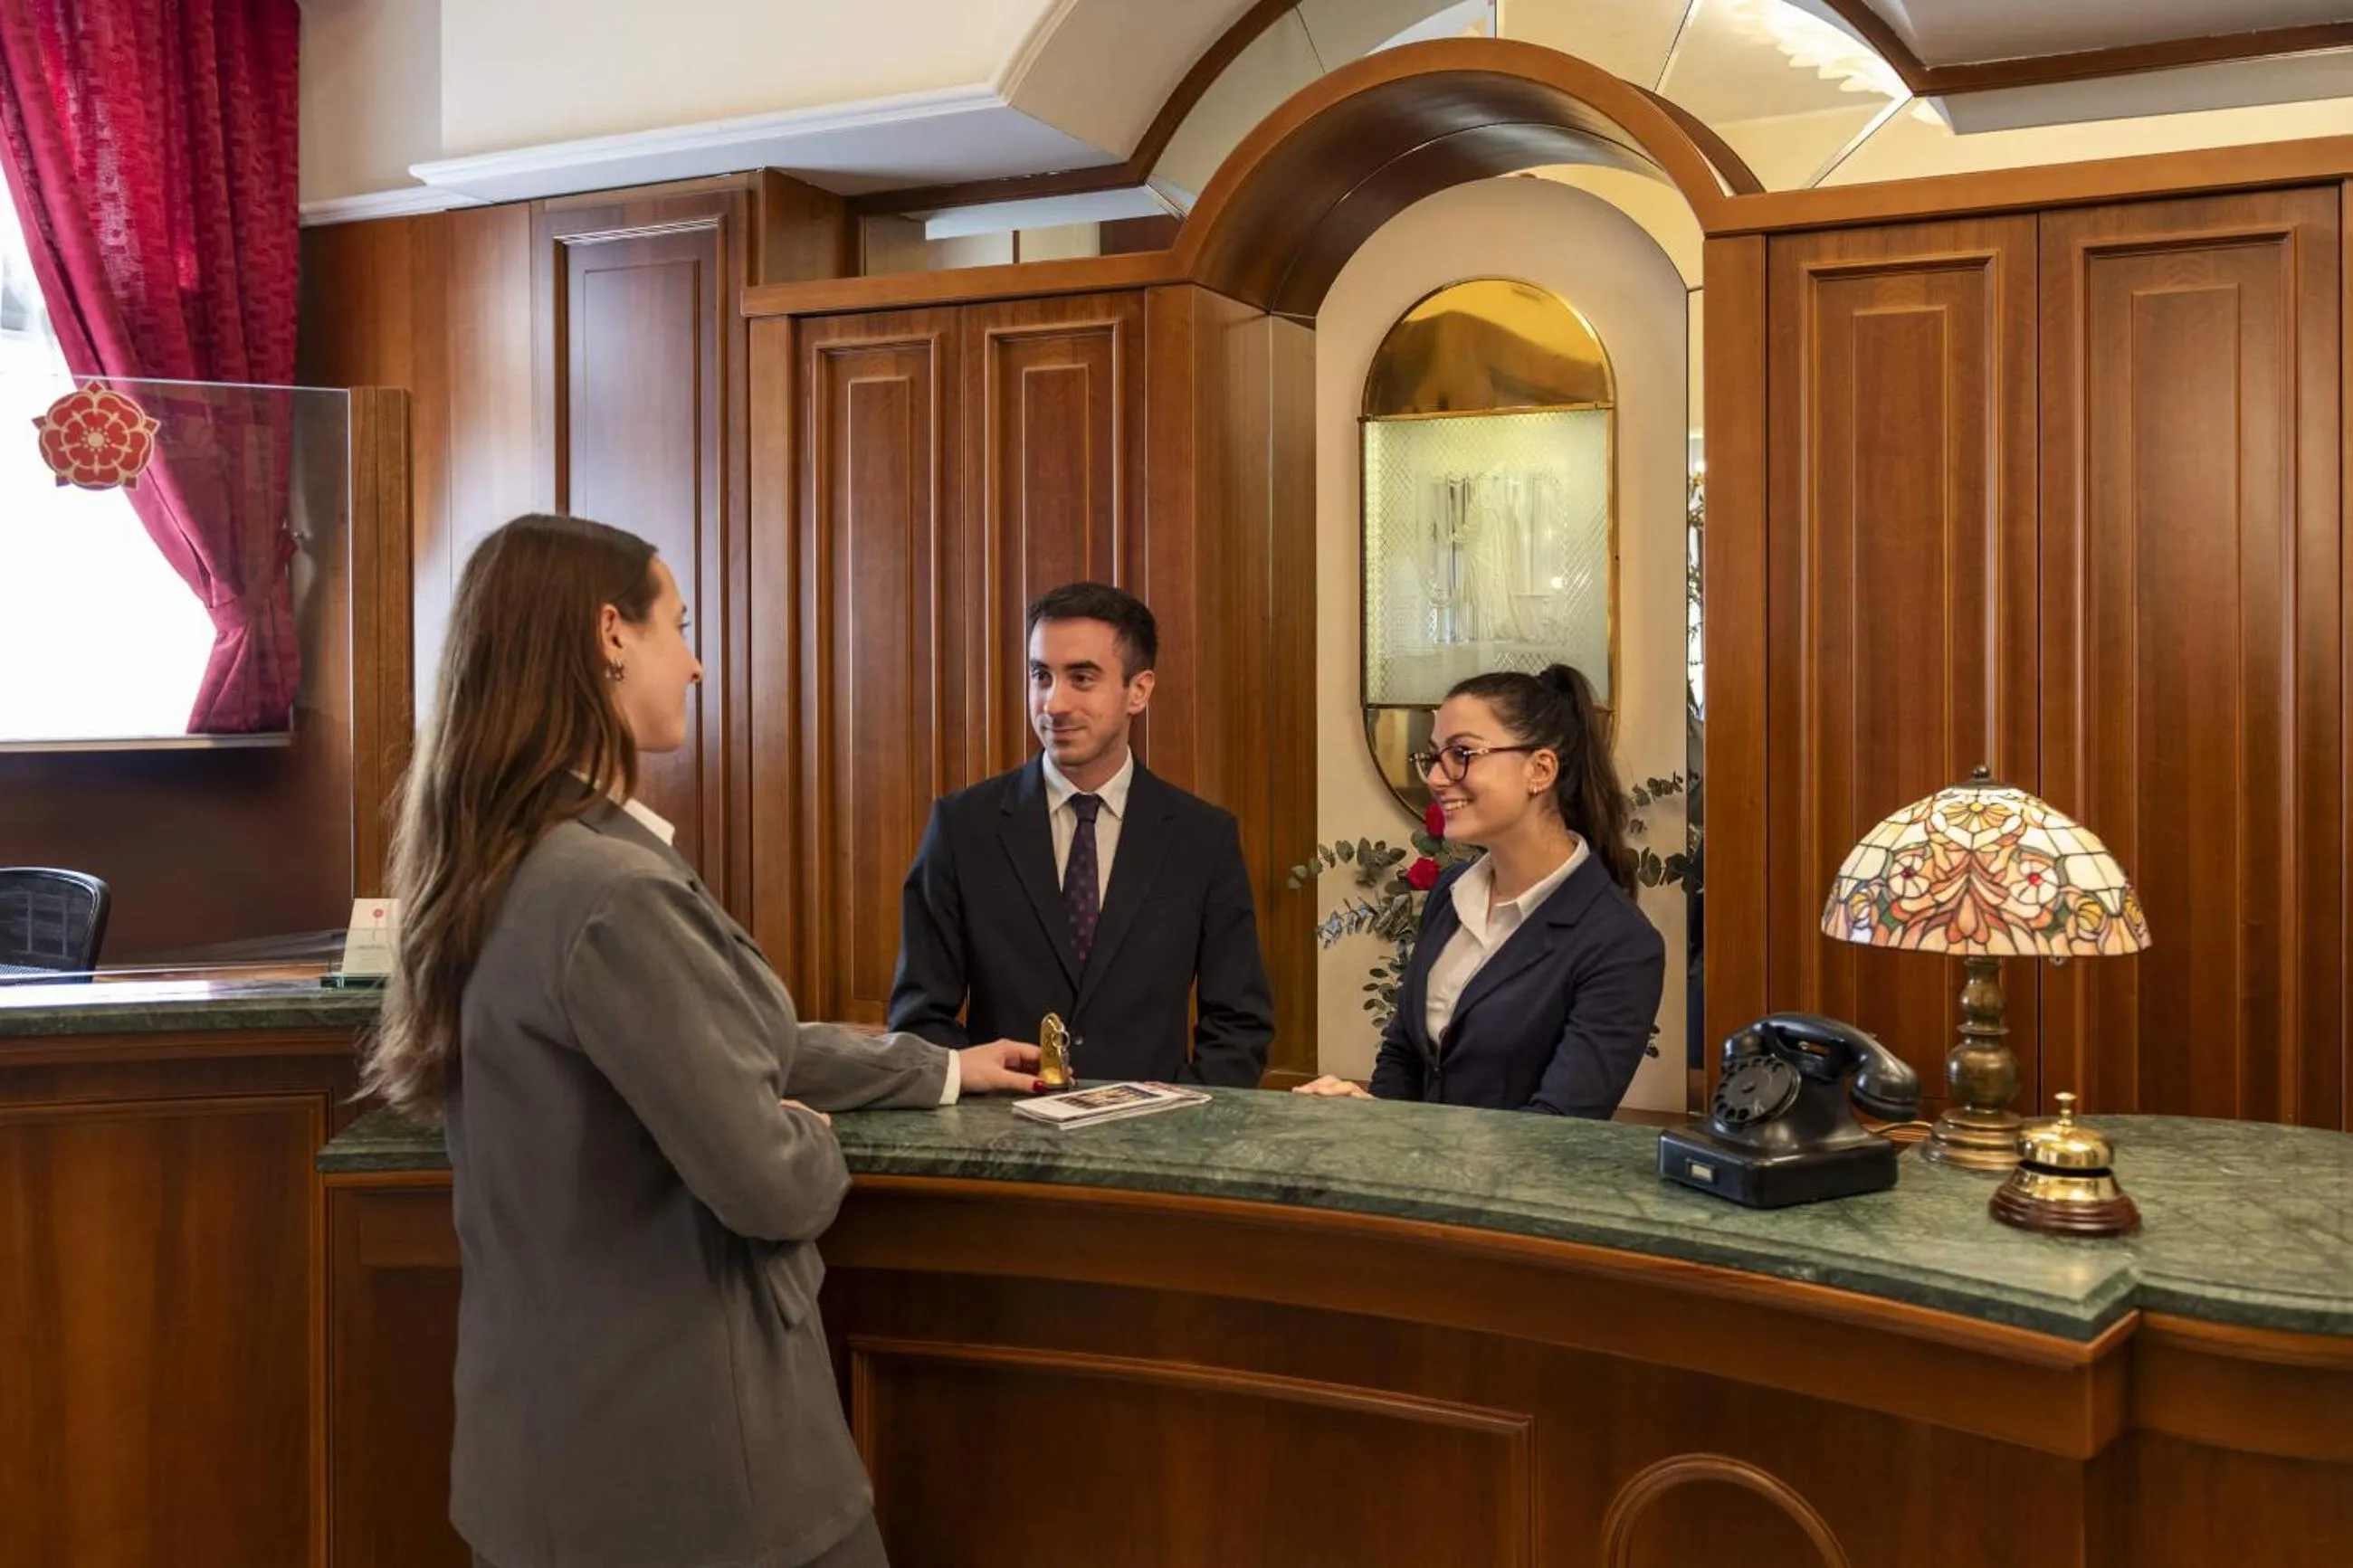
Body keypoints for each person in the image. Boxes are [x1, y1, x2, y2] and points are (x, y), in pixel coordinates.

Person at [360, 514, 1039, 1568]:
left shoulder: (498, 862)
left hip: (548, 1450)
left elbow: (719, 1037)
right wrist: (803, 1133)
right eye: (679, 623)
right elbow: (770, 1181)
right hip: (695, 1469)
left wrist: (941, 1065)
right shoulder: (612, 890)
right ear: (609, 635)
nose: (697, 659)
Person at [889, 582, 1273, 1086]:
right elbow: (920, 1018)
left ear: (1139, 691)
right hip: (1001, 1139)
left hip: (1155, 1140)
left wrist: (1178, 1126)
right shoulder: (962, 828)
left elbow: (1239, 1026)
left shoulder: (1203, 838)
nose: (1054, 703)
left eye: (1082, 678)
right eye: (1040, 675)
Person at [1293, 664, 1664, 1116]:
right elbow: (1404, 1054)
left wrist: (1405, 1143)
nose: (1435, 777)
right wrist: (1367, 1120)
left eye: (1462, 753)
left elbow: (1559, 1130)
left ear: (1540, 770)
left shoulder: (1620, 943)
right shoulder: (1452, 890)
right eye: (1434, 756)